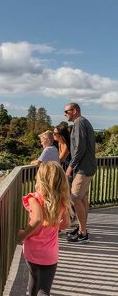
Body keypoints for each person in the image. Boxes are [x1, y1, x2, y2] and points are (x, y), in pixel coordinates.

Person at [18, 161, 72, 296]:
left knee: (33, 281)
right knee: (44, 289)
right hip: (50, 254)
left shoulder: (34, 198)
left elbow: (37, 219)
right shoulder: (61, 201)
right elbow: (66, 223)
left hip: (32, 250)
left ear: (40, 179)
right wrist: (53, 226)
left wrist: (24, 234)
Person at [63, 102, 96, 243]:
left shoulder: (79, 123)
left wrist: (70, 167)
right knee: (82, 199)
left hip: (83, 168)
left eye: (66, 111)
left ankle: (83, 234)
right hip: (86, 167)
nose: (65, 114)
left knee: (75, 198)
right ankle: (82, 228)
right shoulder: (82, 122)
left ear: (74, 111)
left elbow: (80, 148)